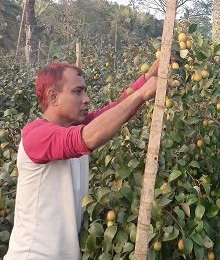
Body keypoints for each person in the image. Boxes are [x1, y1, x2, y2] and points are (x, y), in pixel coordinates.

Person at [5, 59, 160, 259]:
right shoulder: (36, 135)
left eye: (85, 91)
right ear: (53, 96)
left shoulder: (75, 127)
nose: (86, 98)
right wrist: (140, 94)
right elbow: (90, 136)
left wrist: (148, 77)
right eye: (77, 92)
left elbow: (114, 112)